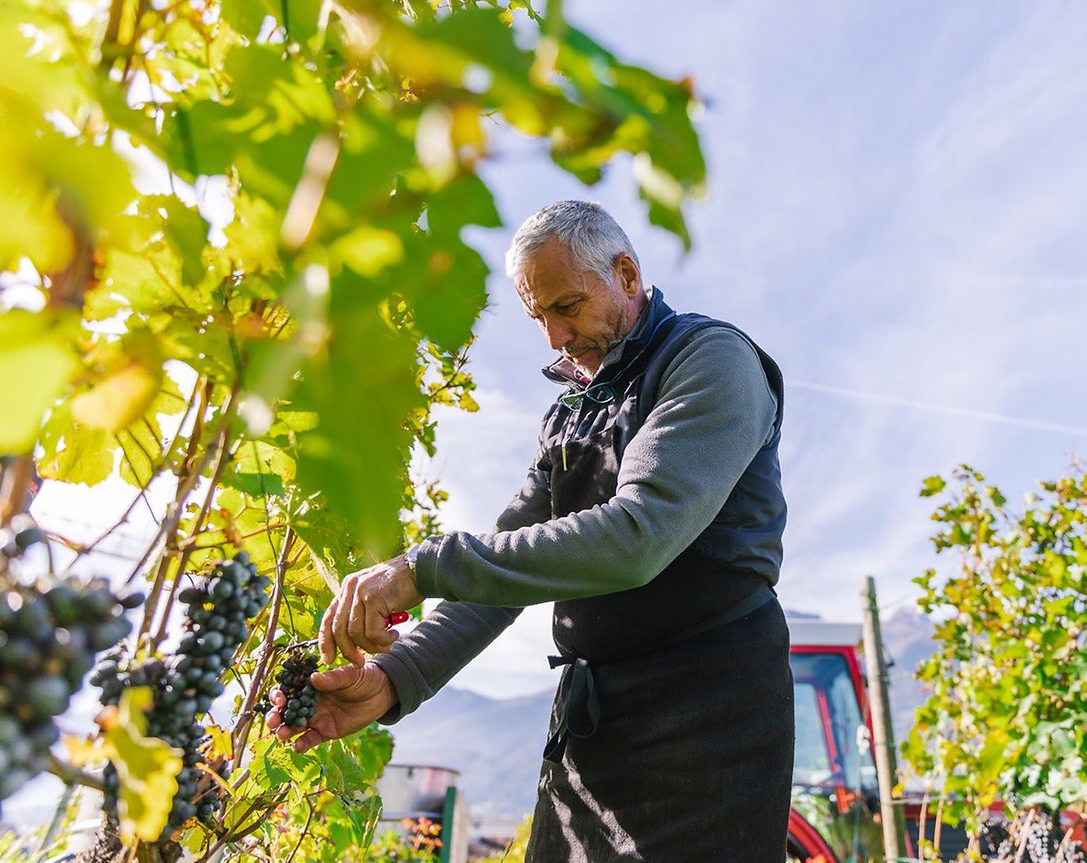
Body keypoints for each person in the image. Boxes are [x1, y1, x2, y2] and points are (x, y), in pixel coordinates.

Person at [266, 200, 791, 861]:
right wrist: (395, 678)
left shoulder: (710, 361)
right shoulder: (569, 417)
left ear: (626, 275)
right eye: (539, 316)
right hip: (595, 723)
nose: (554, 337)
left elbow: (639, 535)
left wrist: (420, 566)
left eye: (566, 306)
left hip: (709, 720)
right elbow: (502, 578)